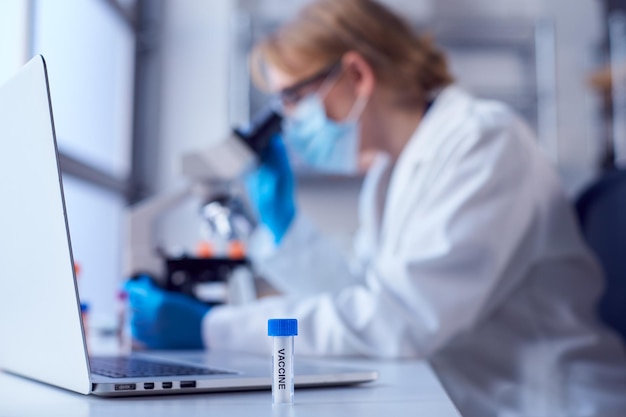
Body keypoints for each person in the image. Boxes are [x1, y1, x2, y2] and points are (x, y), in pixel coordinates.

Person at [126, 0, 626, 415]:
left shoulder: (483, 141)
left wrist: (211, 328)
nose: (291, 125)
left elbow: (399, 321)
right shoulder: (389, 173)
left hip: (548, 403)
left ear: (357, 74)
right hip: (469, 393)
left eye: (293, 101)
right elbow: (360, 298)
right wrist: (285, 229)